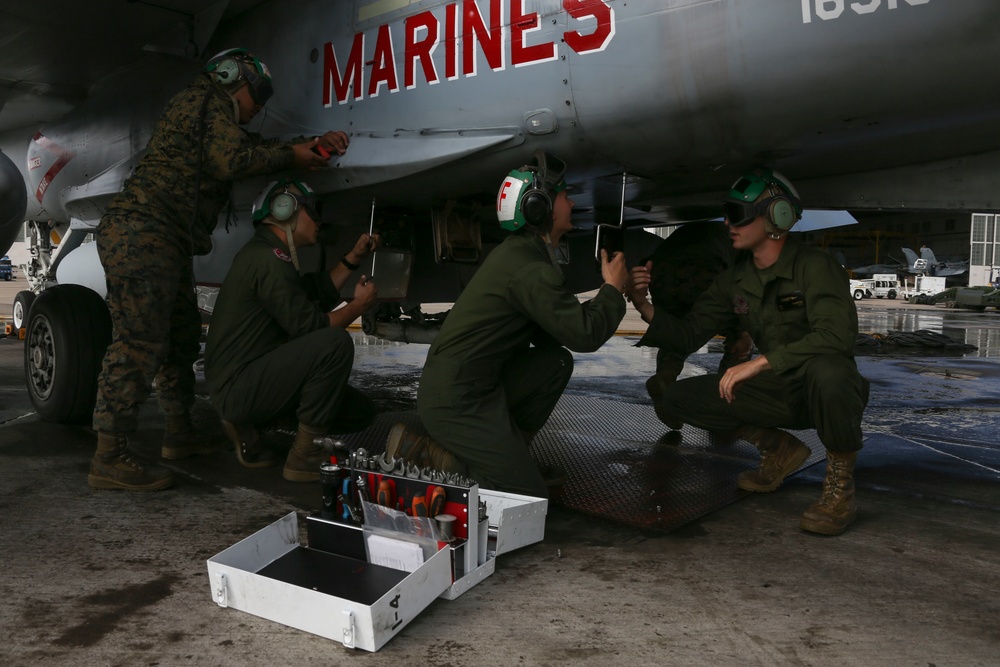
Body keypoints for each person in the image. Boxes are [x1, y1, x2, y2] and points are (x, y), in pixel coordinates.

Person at [89, 48, 350, 491]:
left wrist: (304, 147)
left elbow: (243, 148)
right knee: (139, 341)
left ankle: (179, 433)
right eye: (258, 93)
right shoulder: (202, 101)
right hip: (141, 232)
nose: (260, 106)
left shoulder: (216, 116)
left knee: (180, 335)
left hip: (165, 239)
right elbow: (231, 160)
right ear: (230, 77)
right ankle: (110, 455)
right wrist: (292, 156)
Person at [628, 168, 869, 535]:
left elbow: (837, 336)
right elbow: (688, 335)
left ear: (776, 217)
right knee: (679, 397)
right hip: (778, 391)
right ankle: (778, 449)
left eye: (736, 214)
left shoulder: (815, 267)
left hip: (824, 393)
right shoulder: (734, 280)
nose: (727, 223)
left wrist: (759, 363)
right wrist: (643, 304)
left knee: (830, 371)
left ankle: (840, 488)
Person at [386, 151, 630, 498]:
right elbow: (584, 335)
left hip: (474, 386)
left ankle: (511, 458)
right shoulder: (529, 268)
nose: (573, 203)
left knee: (555, 363)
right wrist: (611, 290)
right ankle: (428, 456)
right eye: (565, 195)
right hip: (457, 400)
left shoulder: (522, 254)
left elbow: (557, 330)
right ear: (540, 208)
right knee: (526, 497)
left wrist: (614, 293)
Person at [204, 179, 380, 482]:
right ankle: (304, 455)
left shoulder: (267, 254)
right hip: (237, 389)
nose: (318, 221)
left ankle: (253, 423)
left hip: (245, 381)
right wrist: (357, 306)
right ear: (285, 210)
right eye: (313, 212)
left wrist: (353, 258)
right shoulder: (267, 259)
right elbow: (309, 326)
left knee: (358, 411)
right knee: (333, 344)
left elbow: (311, 293)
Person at [640, 221, 752, 429]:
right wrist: (744, 330)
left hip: (662, 270)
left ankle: (665, 377)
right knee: (740, 339)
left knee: (676, 328)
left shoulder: (718, 232)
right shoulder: (748, 244)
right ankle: (722, 404)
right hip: (704, 269)